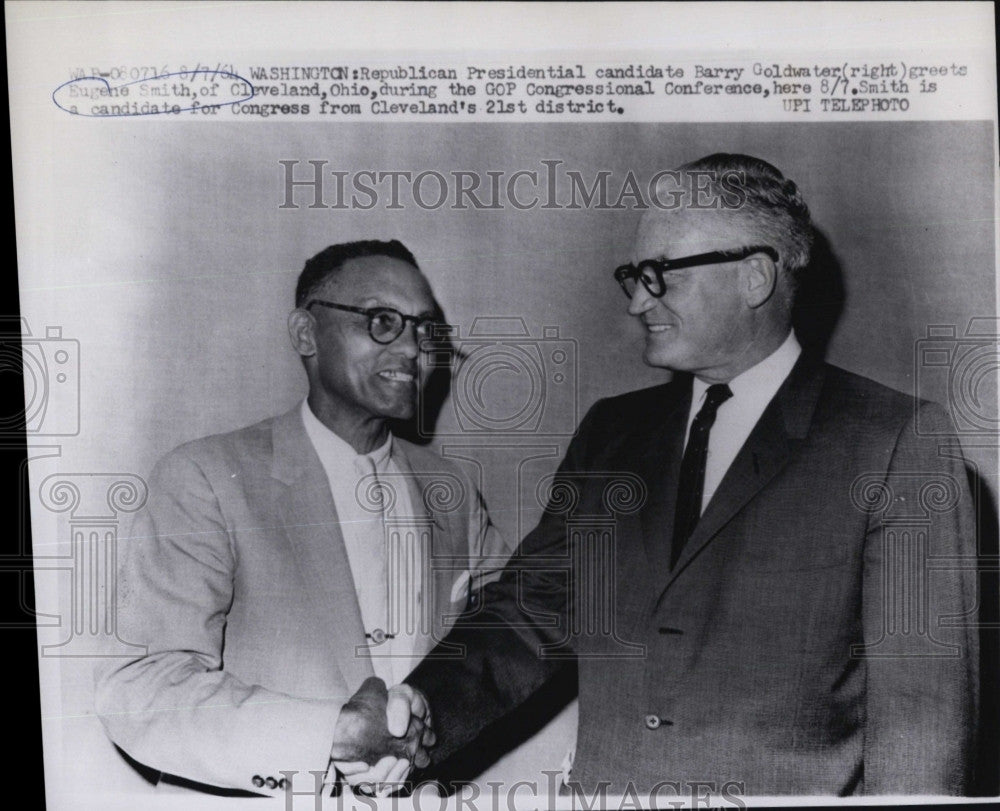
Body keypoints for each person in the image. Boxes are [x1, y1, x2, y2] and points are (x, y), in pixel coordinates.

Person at [374, 155, 981, 796]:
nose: (637, 300)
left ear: (754, 277)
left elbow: (923, 730)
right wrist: (420, 708)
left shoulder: (893, 439)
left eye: (660, 275)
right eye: (633, 276)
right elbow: (530, 616)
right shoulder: (611, 433)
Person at [95, 240, 508, 796]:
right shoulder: (205, 477)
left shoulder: (452, 490)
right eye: (384, 321)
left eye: (424, 329)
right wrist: (326, 734)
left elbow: (512, 634)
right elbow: (141, 691)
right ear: (305, 334)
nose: (414, 349)